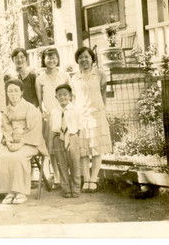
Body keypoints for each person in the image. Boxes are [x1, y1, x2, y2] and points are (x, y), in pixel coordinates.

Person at [0, 79, 48, 204]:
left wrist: (21, 143)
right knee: (2, 156)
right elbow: (5, 128)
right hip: (12, 141)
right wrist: (8, 142)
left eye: (15, 91)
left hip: (29, 142)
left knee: (18, 157)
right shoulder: (6, 110)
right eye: (10, 91)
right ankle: (8, 191)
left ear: (21, 92)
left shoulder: (31, 108)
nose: (13, 94)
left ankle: (20, 192)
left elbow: (34, 129)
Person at [70, 46, 112, 193]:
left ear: (92, 59)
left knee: (96, 148)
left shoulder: (100, 74)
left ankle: (94, 179)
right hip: (81, 115)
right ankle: (86, 179)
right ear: (77, 60)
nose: (84, 60)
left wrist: (104, 111)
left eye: (86, 57)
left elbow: (103, 94)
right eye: (80, 58)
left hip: (96, 114)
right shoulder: (74, 77)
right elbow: (74, 98)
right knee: (83, 149)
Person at [35, 48, 70, 190]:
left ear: (58, 58)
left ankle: (68, 176)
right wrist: (44, 111)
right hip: (49, 116)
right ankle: (57, 177)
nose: (51, 60)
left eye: (54, 57)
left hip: (64, 115)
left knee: (66, 146)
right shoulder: (40, 78)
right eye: (48, 57)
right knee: (53, 149)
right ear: (44, 60)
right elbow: (40, 100)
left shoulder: (64, 75)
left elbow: (69, 96)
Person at [50, 84, 81, 198]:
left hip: (72, 137)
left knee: (74, 163)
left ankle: (76, 187)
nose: (62, 97)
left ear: (70, 96)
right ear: (56, 97)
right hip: (58, 137)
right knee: (61, 164)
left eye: (65, 95)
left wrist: (75, 138)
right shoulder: (54, 111)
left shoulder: (75, 110)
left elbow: (79, 126)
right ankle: (66, 188)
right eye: (59, 95)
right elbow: (53, 126)